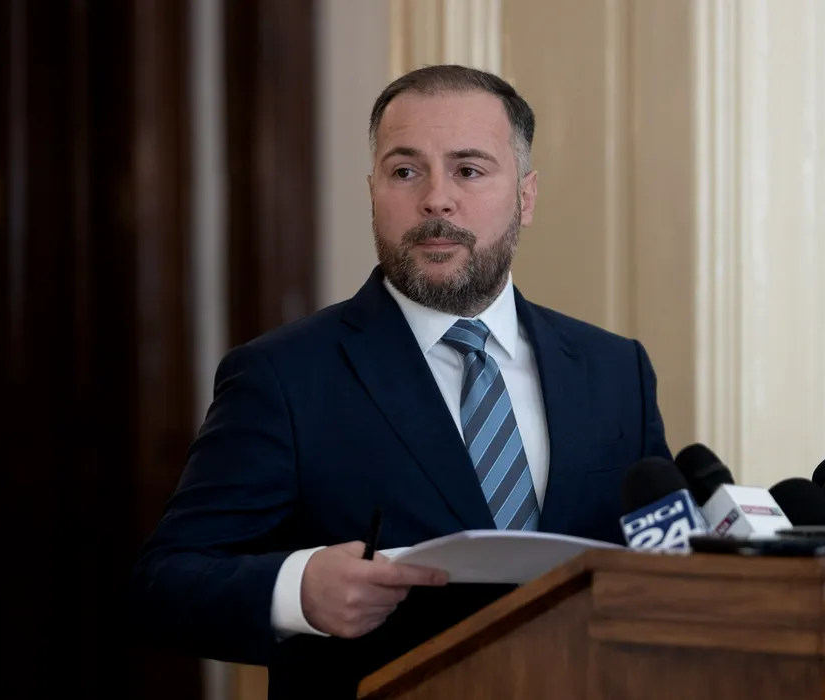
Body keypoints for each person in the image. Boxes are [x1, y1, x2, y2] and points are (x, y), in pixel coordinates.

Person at [129, 64, 672, 699]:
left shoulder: (615, 369)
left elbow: (664, 568)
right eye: (406, 171)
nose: (436, 200)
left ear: (525, 197)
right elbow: (163, 584)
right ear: (373, 192)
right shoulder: (283, 376)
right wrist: (298, 591)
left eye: (469, 170)